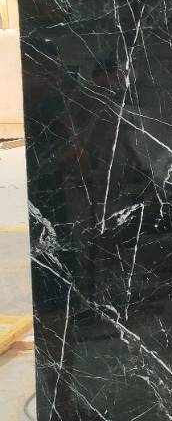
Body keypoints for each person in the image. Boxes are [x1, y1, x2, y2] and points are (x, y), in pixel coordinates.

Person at [23, 37, 100, 420]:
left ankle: (62, 401)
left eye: (56, 71)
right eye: (44, 70)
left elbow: (80, 163)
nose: (54, 79)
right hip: (17, 227)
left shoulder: (55, 110)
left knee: (57, 316)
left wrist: (72, 150)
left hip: (52, 226)